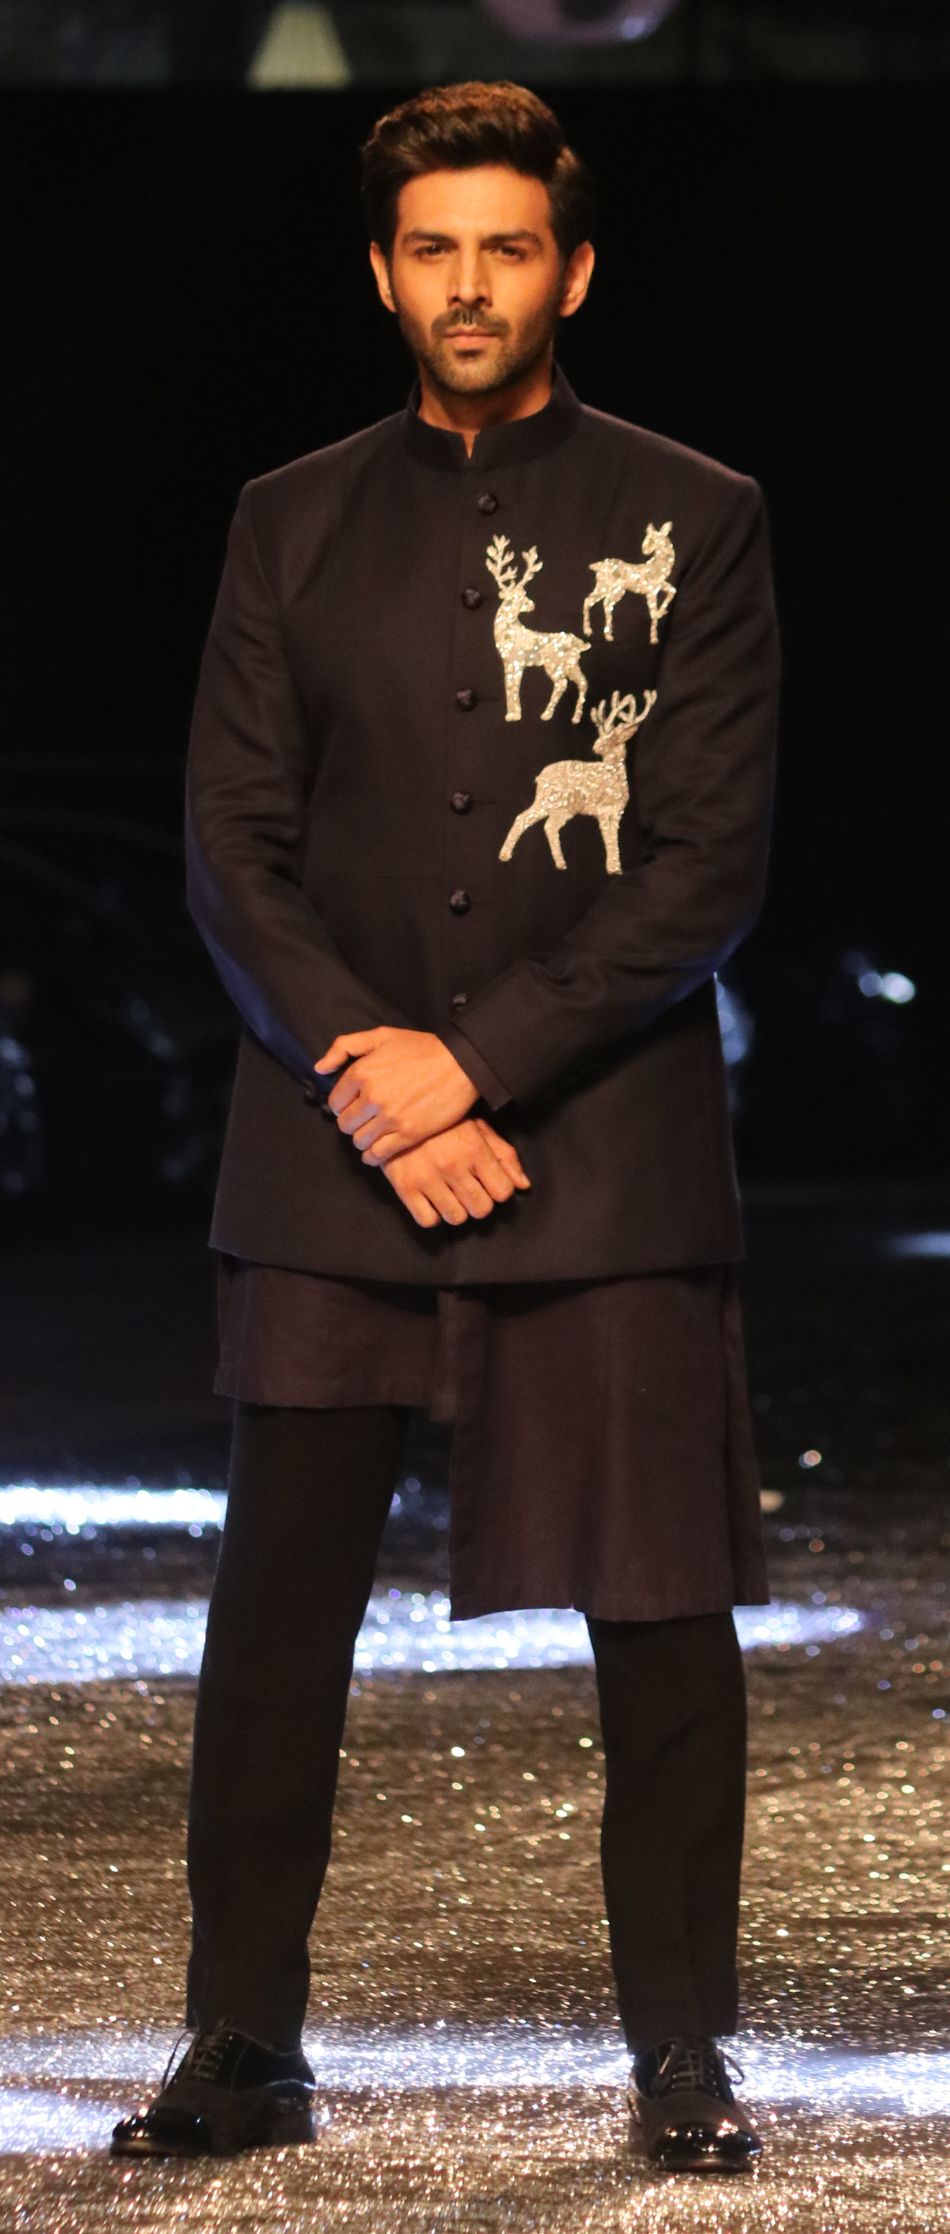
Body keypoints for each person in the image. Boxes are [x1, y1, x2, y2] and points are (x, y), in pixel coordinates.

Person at [111, 78, 780, 2173]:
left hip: (602, 1154)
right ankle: (244, 2039)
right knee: (273, 1624)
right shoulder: (288, 517)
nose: (468, 284)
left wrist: (467, 1067)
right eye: (432, 250)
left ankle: (682, 2051)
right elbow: (232, 844)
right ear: (383, 277)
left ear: (570, 272)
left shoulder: (699, 514)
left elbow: (705, 863)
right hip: (332, 1156)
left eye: (505, 247)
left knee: (658, 1614)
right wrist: (372, 1074)